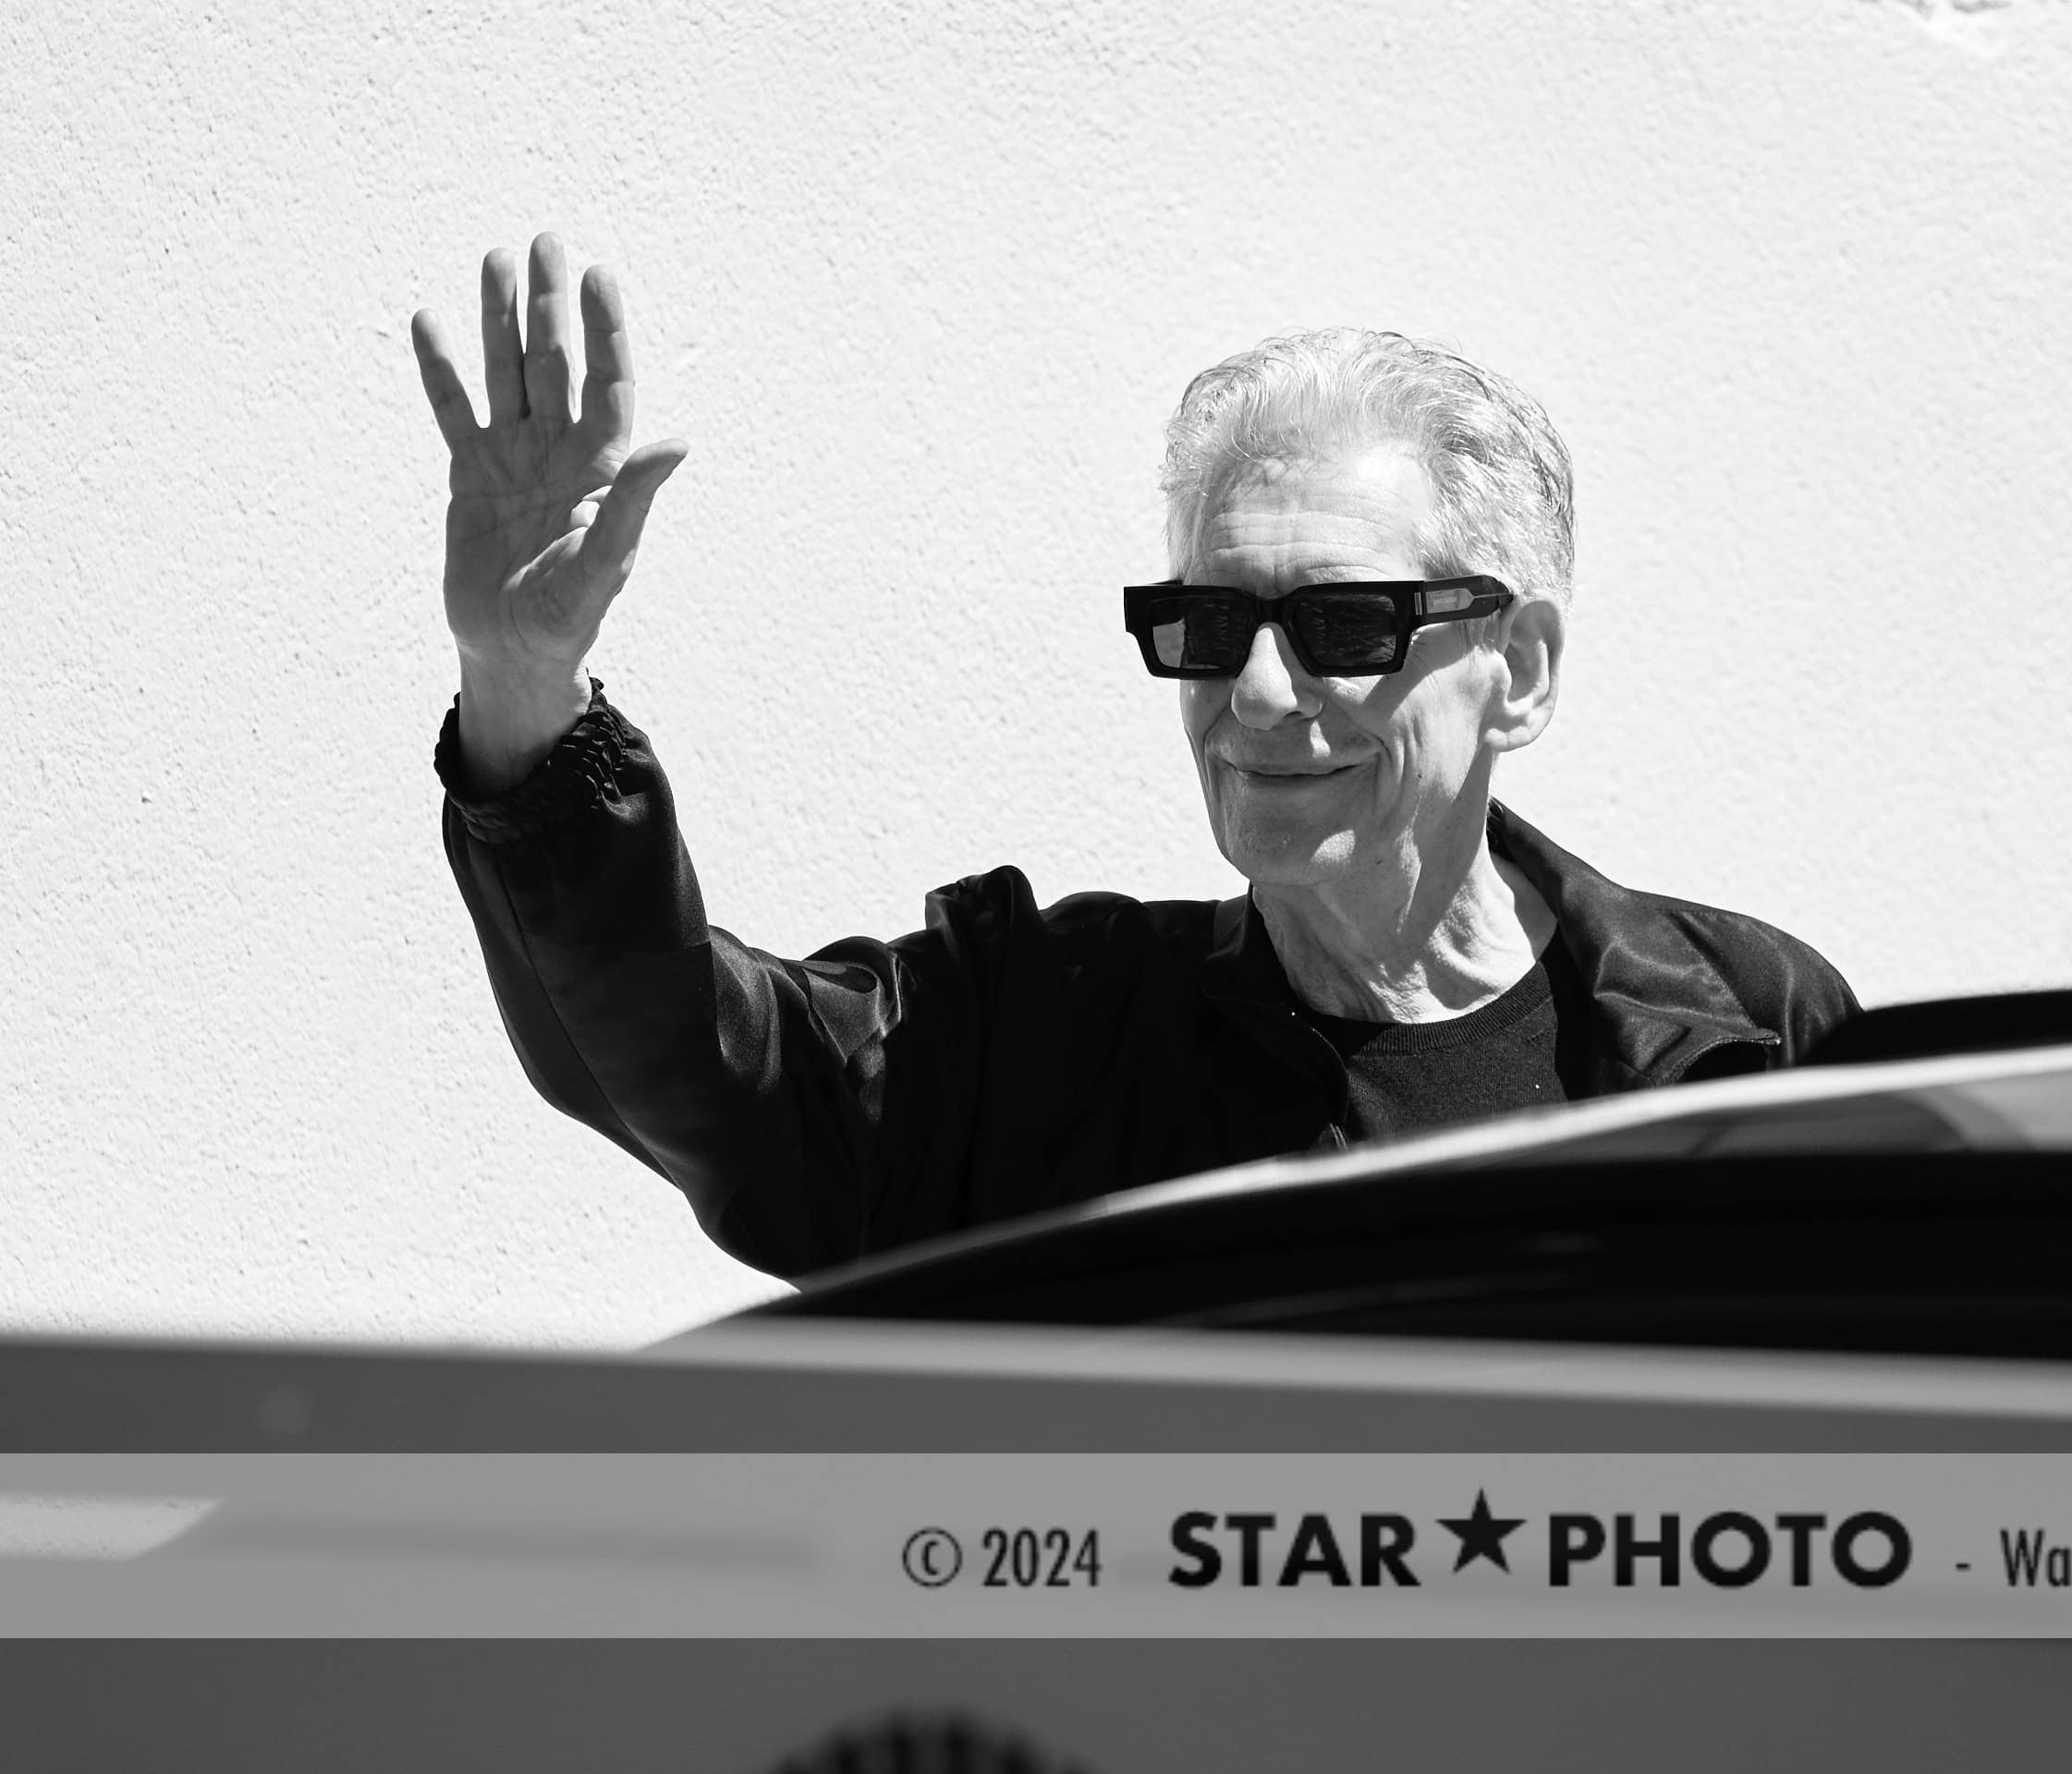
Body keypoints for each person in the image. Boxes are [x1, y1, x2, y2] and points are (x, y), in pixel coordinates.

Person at [413, 233, 1858, 1280]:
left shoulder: (1747, 1037)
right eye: (1211, 623)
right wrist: (523, 687)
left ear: (1520, 670)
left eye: (1345, 623)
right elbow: (711, 1076)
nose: (1259, 691)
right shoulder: (1047, 1042)